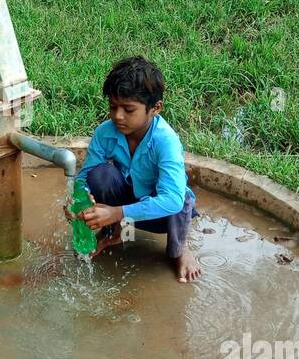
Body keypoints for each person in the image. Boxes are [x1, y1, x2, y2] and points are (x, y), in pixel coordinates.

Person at [73, 56, 202, 282]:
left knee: (180, 199)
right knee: (100, 175)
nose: (118, 116)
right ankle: (114, 233)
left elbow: (171, 200)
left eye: (128, 109)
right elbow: (84, 176)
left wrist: (116, 212)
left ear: (155, 108)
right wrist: (80, 200)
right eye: (113, 106)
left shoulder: (165, 140)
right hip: (130, 200)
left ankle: (180, 249)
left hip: (164, 215)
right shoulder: (105, 133)